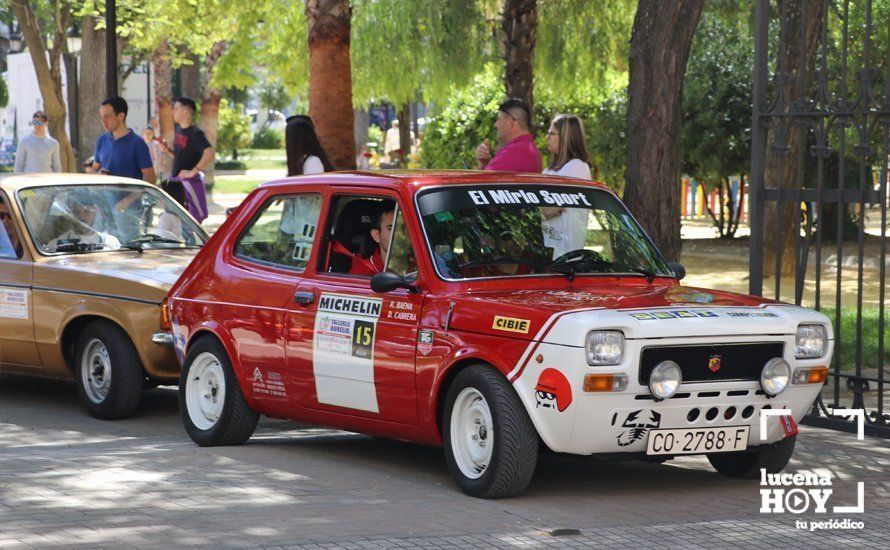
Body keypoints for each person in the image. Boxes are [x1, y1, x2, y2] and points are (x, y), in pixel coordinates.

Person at [541, 114, 593, 258]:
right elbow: (538, 210)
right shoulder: (547, 171)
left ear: (566, 137)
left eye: (551, 133)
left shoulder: (578, 167)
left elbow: (549, 208)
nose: (547, 137)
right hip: (546, 254)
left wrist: (543, 208)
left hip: (568, 257)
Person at [281, 115, 333, 239]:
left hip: (309, 233)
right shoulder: (300, 162)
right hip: (296, 230)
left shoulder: (313, 162)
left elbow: (313, 196)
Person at [87, 97, 156, 184]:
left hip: (130, 196)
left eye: (107, 117)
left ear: (121, 116)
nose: (103, 121)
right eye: (101, 117)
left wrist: (131, 198)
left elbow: (150, 178)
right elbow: (94, 170)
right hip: (105, 196)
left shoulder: (137, 143)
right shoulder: (101, 141)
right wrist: (93, 172)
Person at [475, 98, 541, 173]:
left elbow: (480, 182)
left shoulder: (514, 152)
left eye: (499, 119)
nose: (496, 125)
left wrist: (482, 165)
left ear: (510, 122)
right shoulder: (529, 148)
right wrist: (483, 163)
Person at [159, 97, 214, 179]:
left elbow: (209, 152)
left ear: (185, 113)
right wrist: (168, 150)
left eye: (176, 108)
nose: (172, 112)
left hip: (189, 183)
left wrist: (193, 172)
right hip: (177, 180)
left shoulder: (195, 133)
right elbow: (181, 156)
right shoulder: (178, 129)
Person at [47, 191, 121, 250]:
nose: (82, 217)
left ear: (95, 213)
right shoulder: (56, 246)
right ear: (70, 214)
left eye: (86, 211)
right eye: (76, 212)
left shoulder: (112, 244)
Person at [348, 204, 394, 276]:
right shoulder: (361, 274)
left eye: (403, 227)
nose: (398, 233)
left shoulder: (416, 265)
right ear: (376, 235)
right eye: (391, 229)